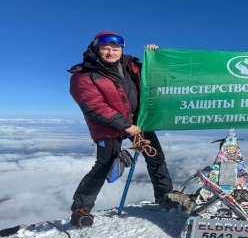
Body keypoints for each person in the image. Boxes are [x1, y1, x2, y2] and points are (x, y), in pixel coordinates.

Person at [67, 32, 173, 227]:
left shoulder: (132, 66)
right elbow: (94, 107)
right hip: (108, 126)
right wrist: (126, 126)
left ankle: (166, 195)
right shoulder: (83, 75)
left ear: (121, 50)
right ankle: (80, 209)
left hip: (139, 121)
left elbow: (159, 75)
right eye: (105, 48)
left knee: (156, 157)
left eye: (115, 49)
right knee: (104, 165)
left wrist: (156, 55)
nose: (111, 52)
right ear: (96, 49)